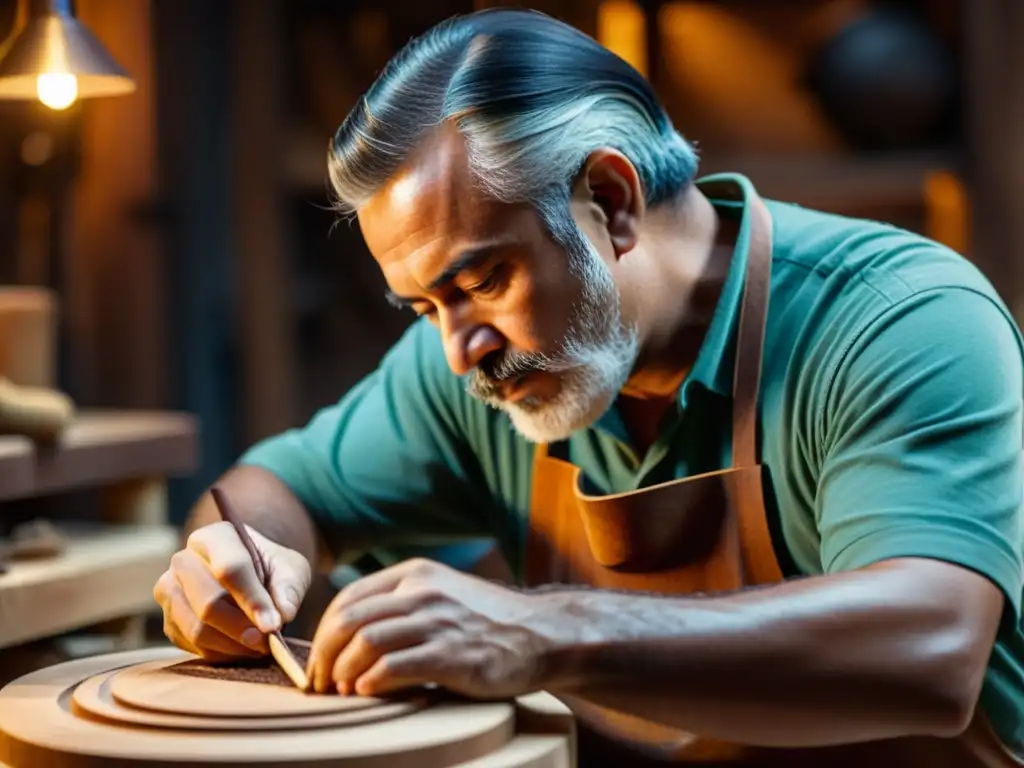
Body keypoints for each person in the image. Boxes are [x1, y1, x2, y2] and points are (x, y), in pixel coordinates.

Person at [154, 8, 1024, 766]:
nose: (460, 353)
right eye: (424, 306)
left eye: (484, 280)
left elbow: (931, 646)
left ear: (610, 200)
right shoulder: (478, 360)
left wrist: (541, 633)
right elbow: (273, 489)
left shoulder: (896, 319)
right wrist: (240, 564)